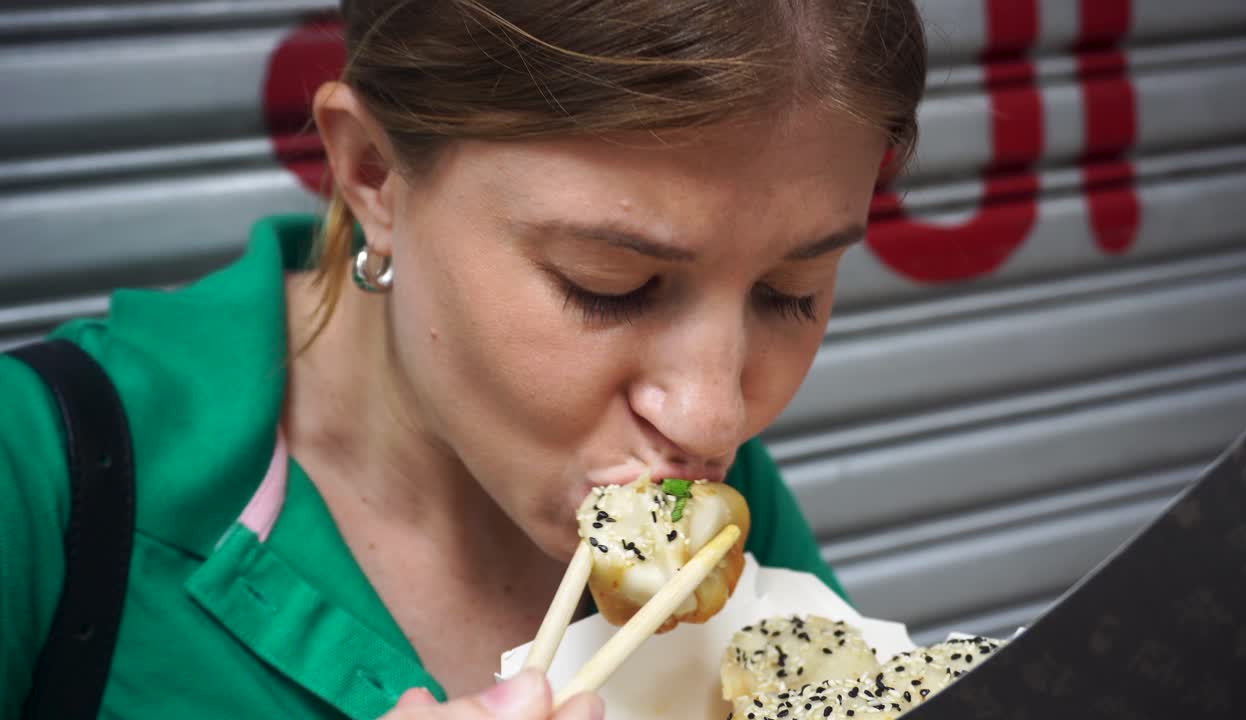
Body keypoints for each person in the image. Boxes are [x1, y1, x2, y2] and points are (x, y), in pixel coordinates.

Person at [0, 1, 925, 718]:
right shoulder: (41, 487)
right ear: (372, 173)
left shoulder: (705, 512)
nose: (715, 417)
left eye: (792, 291)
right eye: (609, 283)